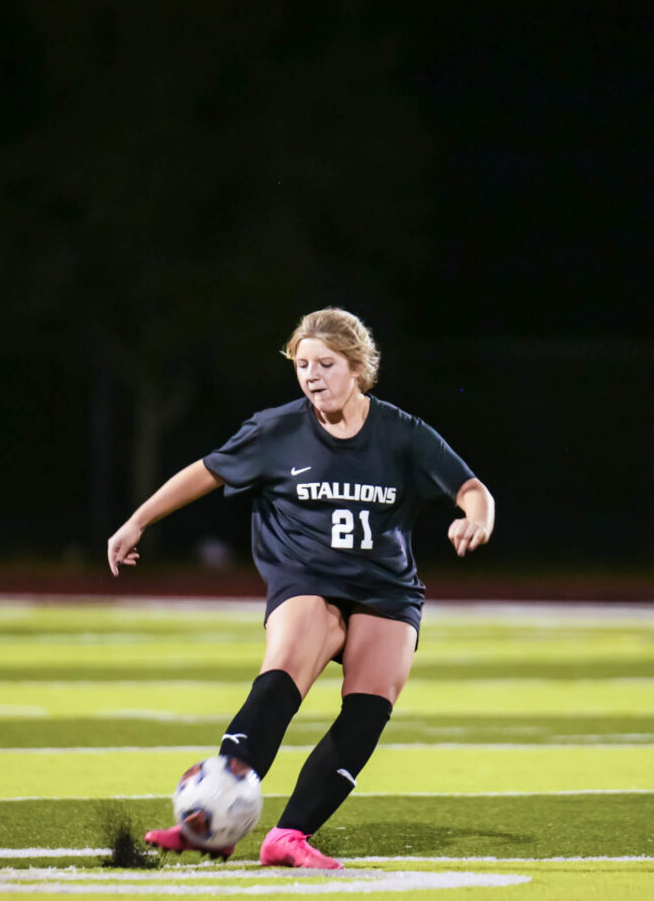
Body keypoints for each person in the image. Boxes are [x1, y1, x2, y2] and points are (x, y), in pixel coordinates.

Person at [106, 308, 494, 869]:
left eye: (326, 364)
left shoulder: (401, 433)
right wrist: (138, 520)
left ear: (358, 368)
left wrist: (475, 517)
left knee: (368, 706)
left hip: (386, 589)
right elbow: (208, 470)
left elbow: (471, 487)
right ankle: (209, 820)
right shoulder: (278, 429)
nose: (312, 375)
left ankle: (288, 836)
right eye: (302, 364)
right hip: (307, 579)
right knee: (282, 674)